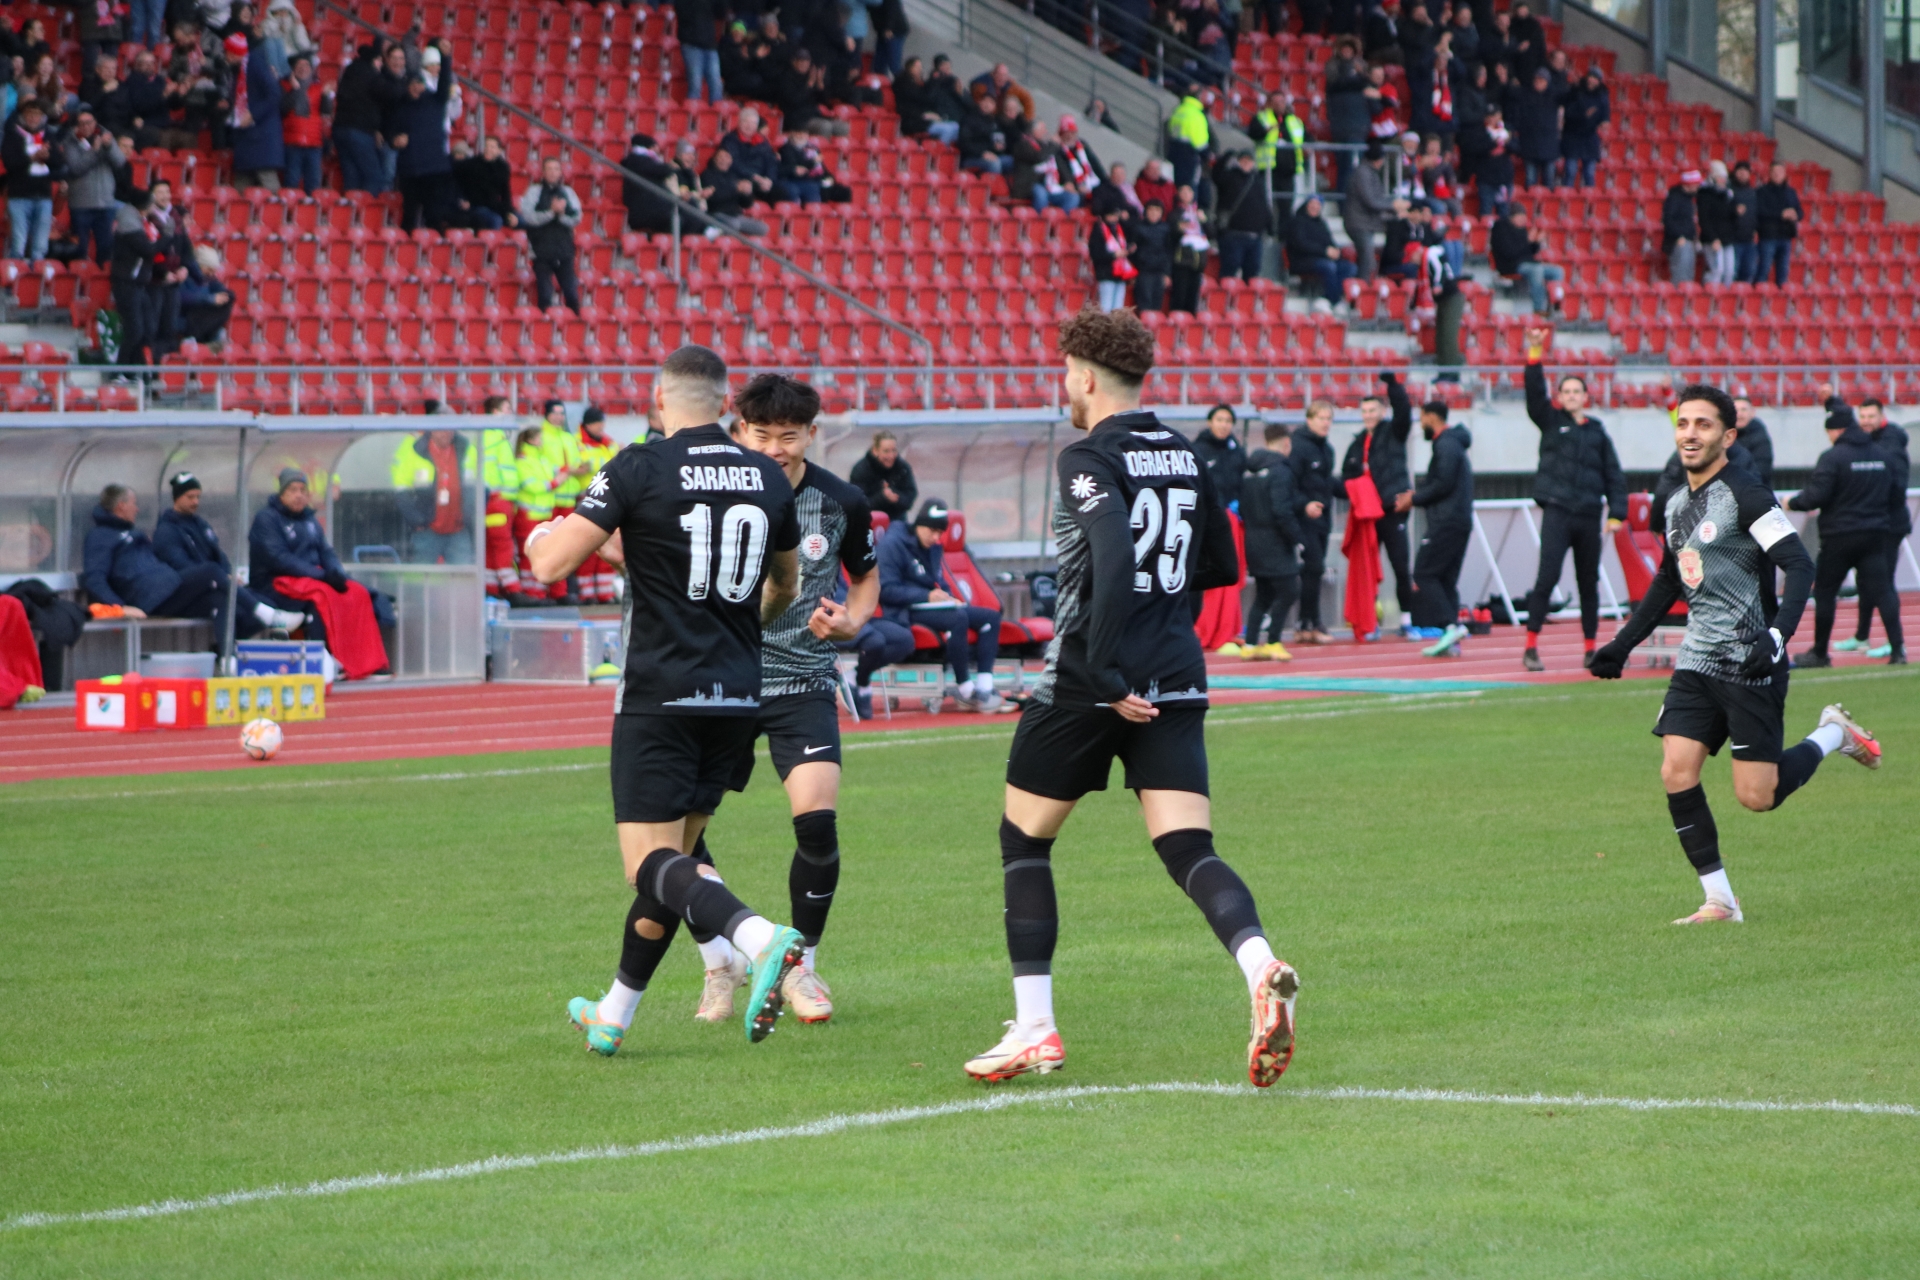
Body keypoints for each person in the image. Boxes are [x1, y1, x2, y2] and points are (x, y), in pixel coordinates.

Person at [962, 307, 1296, 1087]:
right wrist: (1157, 611)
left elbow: (1112, 555)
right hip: (1176, 671)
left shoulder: (1088, 455)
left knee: (1024, 841)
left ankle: (1035, 1028)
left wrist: (1108, 672)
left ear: (1084, 377)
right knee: (1188, 848)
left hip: (1091, 678)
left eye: (1064, 374)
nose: (1063, 386)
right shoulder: (1184, 451)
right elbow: (1221, 566)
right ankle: (1260, 966)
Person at [523, 345, 808, 1057]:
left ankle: (758, 938)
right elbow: (786, 586)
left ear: (658, 401)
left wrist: (538, 537)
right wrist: (743, 625)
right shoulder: (767, 477)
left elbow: (552, 564)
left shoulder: (639, 466)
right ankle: (614, 1013)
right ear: (727, 405)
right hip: (736, 696)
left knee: (646, 864)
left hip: (661, 694)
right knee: (677, 867)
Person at [1588, 384, 1879, 925]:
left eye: (1703, 424)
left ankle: (1833, 733)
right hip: (1697, 661)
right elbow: (1669, 580)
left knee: (1757, 796)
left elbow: (1799, 565)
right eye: (1683, 423)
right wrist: (1621, 645)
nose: (1690, 433)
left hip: (1751, 662)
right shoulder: (1675, 503)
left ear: (1727, 436)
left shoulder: (1748, 494)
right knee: (1676, 771)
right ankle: (1720, 900)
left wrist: (1776, 637)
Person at [678, 374, 880, 1026]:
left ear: (811, 434)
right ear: (739, 431)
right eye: (761, 434)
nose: (774, 448)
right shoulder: (707, 494)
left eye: (788, 436)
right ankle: (720, 962)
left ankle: (802, 968)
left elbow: (866, 578)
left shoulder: (840, 500)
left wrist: (851, 621)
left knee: (817, 821)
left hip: (802, 679)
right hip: (720, 679)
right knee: (677, 836)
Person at [1519, 326, 1626, 671]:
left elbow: (1613, 474)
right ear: (1560, 396)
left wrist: (1617, 513)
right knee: (1546, 578)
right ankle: (1531, 647)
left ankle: (1591, 648)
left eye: (1576, 391)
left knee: (1588, 583)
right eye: (1565, 391)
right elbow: (1534, 393)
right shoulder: (1550, 421)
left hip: (1589, 514)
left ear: (1585, 396)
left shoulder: (1597, 432)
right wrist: (1535, 353)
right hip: (1558, 511)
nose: (1570, 396)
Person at [1787, 401, 1906, 667]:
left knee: (1825, 592)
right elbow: (1896, 493)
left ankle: (1820, 653)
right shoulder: (1881, 454)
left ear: (1836, 431)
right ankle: (1898, 650)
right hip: (1874, 534)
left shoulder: (1833, 457)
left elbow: (1816, 496)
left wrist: (1792, 503)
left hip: (1839, 536)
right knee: (1883, 590)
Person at [249, 468, 393, 677]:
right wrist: (323, 577)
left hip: (310, 579)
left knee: (357, 593)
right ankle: (324, 661)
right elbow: (279, 559)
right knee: (322, 596)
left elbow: (326, 552)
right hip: (272, 584)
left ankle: (367, 662)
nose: (299, 495)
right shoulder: (267, 519)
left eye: (303, 490)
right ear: (281, 494)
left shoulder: (309, 520)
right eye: (292, 490)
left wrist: (336, 573)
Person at [878, 499, 1006, 712]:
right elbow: (886, 590)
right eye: (932, 531)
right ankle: (966, 690)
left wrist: (948, 597)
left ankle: (985, 687)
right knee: (957, 618)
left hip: (931, 606)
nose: (936, 538)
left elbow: (937, 579)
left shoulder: (933, 547)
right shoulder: (893, 544)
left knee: (990, 618)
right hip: (904, 610)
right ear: (919, 524)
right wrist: (926, 596)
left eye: (940, 532)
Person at [153, 471, 304, 636]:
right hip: (185, 593)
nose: (196, 501)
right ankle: (229, 648)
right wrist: (220, 578)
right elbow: (181, 566)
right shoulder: (166, 531)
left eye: (198, 496)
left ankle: (244, 635)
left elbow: (218, 554)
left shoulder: (200, 524)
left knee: (264, 601)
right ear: (177, 497)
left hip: (216, 583)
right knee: (222, 597)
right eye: (190, 497)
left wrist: (228, 575)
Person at [1826, 392, 1910, 657]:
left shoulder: (1890, 442)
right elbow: (1845, 419)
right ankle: (1862, 636)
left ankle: (1894, 642)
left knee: (1882, 583)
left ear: (1882, 416)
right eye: (1862, 416)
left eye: (1871, 416)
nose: (1865, 421)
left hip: (1889, 524)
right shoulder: (1867, 439)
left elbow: (1896, 486)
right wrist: (1831, 402)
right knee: (1866, 583)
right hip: (1874, 523)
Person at [83, 482, 234, 627]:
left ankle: (229, 646)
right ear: (121, 506)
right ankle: (249, 602)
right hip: (150, 599)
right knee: (211, 571)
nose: (137, 509)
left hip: (168, 588)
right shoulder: (99, 537)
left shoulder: (134, 533)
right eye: (134, 504)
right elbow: (94, 579)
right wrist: (120, 608)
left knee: (219, 600)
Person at [1342, 373, 1416, 636]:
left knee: (1400, 565)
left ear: (1383, 412)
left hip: (1391, 510)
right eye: (1364, 411)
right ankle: (1370, 621)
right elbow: (1346, 477)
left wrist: (1394, 387)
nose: (1368, 415)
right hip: (1367, 515)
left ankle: (1407, 619)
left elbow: (1404, 412)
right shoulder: (1356, 443)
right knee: (1368, 569)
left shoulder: (1393, 432)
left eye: (1372, 410)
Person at [1405, 400, 1474, 653]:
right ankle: (1451, 638)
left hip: (1447, 521)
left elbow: (1443, 483)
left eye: (1422, 418)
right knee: (1445, 579)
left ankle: (1450, 626)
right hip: (1459, 520)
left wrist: (1414, 498)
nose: (1421, 423)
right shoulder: (1453, 443)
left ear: (1431, 417)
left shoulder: (1446, 444)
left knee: (1424, 574)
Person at [1240, 422, 1301, 657]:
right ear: (1286, 444)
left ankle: (1250, 645)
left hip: (1253, 539)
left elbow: (1243, 507)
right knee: (1289, 590)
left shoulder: (1250, 470)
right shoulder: (1280, 471)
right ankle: (1273, 640)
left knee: (1264, 594)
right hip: (1275, 541)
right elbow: (1281, 511)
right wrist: (1297, 538)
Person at [389, 50, 454, 229]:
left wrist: (445, 58)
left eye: (419, 83)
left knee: (434, 215)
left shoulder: (435, 101)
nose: (416, 87)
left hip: (435, 168)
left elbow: (445, 82)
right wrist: (395, 140)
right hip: (411, 169)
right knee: (409, 215)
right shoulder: (399, 107)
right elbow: (390, 133)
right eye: (412, 84)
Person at [1289, 398, 1336, 642]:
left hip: (1323, 519)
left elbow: (1327, 484)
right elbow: (1290, 484)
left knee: (1314, 570)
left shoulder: (1327, 449)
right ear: (1309, 420)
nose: (1325, 423)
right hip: (1304, 520)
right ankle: (1310, 622)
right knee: (1313, 567)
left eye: (1329, 419)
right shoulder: (1298, 447)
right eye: (1321, 418)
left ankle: (1305, 623)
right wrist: (1304, 505)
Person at [393, 425, 473, 564]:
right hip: (427, 532)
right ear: (431, 429)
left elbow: (481, 485)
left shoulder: (466, 448)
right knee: (422, 575)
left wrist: (469, 517)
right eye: (441, 428)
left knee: (464, 575)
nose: (446, 433)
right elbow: (401, 490)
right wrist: (417, 520)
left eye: (449, 428)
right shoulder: (414, 449)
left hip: (458, 530)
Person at [516, 157, 582, 313]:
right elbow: (528, 217)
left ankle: (575, 323)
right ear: (543, 172)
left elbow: (577, 217)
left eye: (556, 169)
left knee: (572, 295)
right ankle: (542, 323)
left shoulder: (568, 192)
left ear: (560, 172)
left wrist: (560, 214)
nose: (553, 172)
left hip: (564, 250)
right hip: (541, 251)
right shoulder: (534, 191)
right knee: (545, 295)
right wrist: (551, 213)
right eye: (549, 169)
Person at [60, 111, 125, 266]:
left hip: (105, 202)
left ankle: (101, 276)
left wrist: (109, 147)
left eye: (89, 122)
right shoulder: (70, 142)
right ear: (77, 126)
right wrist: (94, 151)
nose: (86, 126)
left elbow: (120, 162)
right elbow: (76, 168)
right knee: (80, 247)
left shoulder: (105, 137)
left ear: (95, 122)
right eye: (82, 123)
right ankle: (80, 274)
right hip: (81, 204)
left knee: (106, 247)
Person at [224, 33, 284, 190]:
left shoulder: (256, 64)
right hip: (246, 137)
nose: (225, 57)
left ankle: (276, 207)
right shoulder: (239, 69)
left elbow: (274, 94)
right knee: (242, 186)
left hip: (261, 137)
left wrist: (253, 114)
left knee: (268, 182)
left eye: (227, 52)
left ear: (233, 52)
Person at [331, 42, 387, 193]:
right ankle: (367, 208)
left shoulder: (350, 72)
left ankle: (351, 206)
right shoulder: (372, 76)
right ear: (373, 60)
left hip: (340, 128)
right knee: (374, 178)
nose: (381, 64)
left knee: (352, 177)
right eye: (379, 60)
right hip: (360, 130)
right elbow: (388, 94)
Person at [3, 99, 55, 260]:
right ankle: (16, 271)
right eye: (30, 114)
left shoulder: (48, 135)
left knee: (40, 245)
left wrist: (48, 156)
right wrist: (32, 158)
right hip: (19, 196)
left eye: (37, 114)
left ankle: (37, 272)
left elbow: (60, 162)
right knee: (19, 242)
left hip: (43, 196)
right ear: (23, 116)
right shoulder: (13, 136)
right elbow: (10, 163)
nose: (33, 118)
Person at [1343, 143, 1400, 282]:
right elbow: (1371, 201)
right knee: (1367, 261)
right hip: (1359, 223)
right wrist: (1393, 206)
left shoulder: (1368, 173)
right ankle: (1361, 289)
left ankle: (1364, 288)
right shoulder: (1363, 174)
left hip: (1365, 223)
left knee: (1369, 261)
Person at [1285, 196, 1356, 309]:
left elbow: (1330, 242)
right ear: (1306, 205)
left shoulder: (1321, 223)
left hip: (1322, 259)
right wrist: (1324, 251)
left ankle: (1332, 297)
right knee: (1328, 266)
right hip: (1302, 260)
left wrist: (1335, 251)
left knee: (1350, 268)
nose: (1315, 207)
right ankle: (1333, 301)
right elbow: (1301, 245)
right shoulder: (1297, 222)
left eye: (1318, 205)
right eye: (1312, 204)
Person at [1490, 205, 1562, 314]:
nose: (1523, 220)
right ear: (1513, 217)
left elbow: (1529, 252)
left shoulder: (1522, 229)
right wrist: (1527, 241)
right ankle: (1539, 308)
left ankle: (1555, 305)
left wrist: (1536, 242)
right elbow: (1509, 252)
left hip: (1527, 263)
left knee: (1557, 271)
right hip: (1510, 265)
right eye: (1520, 217)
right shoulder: (1501, 229)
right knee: (1536, 270)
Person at [1212, 150, 1270, 283]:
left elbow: (1264, 204)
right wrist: (1225, 157)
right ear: (1238, 162)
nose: (1246, 163)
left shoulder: (1257, 180)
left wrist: (1269, 225)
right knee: (1230, 269)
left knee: (1253, 271)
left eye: (1249, 161)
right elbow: (1216, 175)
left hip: (1254, 235)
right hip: (1233, 234)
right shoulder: (1229, 177)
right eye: (1243, 160)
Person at [279, 52, 326, 194]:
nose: (303, 69)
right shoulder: (284, 86)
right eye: (299, 66)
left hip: (314, 142)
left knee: (314, 182)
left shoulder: (318, 88)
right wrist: (295, 89)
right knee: (292, 179)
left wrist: (327, 96)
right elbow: (283, 108)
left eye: (306, 65)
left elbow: (326, 110)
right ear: (293, 70)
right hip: (292, 141)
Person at [849, 430, 917, 523]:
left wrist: (896, 497)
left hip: (896, 520)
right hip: (868, 521)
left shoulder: (902, 468)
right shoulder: (861, 470)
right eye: (886, 451)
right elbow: (857, 505)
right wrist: (882, 497)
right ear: (875, 451)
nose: (891, 456)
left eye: (894, 450)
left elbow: (910, 496)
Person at [452, 135, 515, 230]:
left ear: (499, 150)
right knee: (496, 220)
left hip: (494, 206)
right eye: (486, 146)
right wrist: (462, 199)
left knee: (520, 221)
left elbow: (505, 192)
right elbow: (456, 181)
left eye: (492, 147)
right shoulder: (472, 164)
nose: (488, 149)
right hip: (476, 205)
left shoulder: (503, 167)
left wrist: (509, 212)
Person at [1755, 161, 1801, 287]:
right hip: (1768, 235)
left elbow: (1799, 211)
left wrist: (1795, 215)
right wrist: (1781, 214)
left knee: (1783, 271)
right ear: (1769, 174)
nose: (1777, 174)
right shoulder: (1762, 191)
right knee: (1764, 268)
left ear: (1785, 174)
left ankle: (1781, 295)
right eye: (1774, 172)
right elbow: (1760, 211)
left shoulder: (1790, 192)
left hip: (1786, 236)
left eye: (1779, 172)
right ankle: (1759, 292)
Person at [1193, 404, 1247, 510]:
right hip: (1207, 511)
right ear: (1210, 422)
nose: (1224, 425)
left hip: (1232, 512)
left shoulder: (1237, 451)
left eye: (1228, 421)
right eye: (1219, 420)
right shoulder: (1197, 451)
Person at [1128, 199, 1173, 312]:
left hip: (1159, 273)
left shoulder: (1166, 229)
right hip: (1143, 272)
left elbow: (1168, 252)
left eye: (1157, 210)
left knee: (1156, 305)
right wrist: (1133, 272)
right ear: (1145, 212)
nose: (1153, 213)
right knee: (1144, 304)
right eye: (1151, 210)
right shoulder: (1138, 228)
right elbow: (1131, 253)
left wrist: (1167, 273)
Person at [1088, 205, 1133, 311]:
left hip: (1120, 274)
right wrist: (1113, 255)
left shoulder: (1119, 229)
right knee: (1106, 307)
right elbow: (1096, 254)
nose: (1115, 218)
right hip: (1106, 273)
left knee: (1118, 308)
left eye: (1116, 216)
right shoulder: (1098, 231)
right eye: (1112, 215)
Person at [1728, 160, 1760, 285]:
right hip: (1733, 239)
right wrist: (1733, 210)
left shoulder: (1753, 192)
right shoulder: (1728, 191)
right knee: (1732, 272)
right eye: (1740, 171)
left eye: (1745, 171)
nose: (1742, 174)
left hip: (1749, 239)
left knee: (1748, 272)